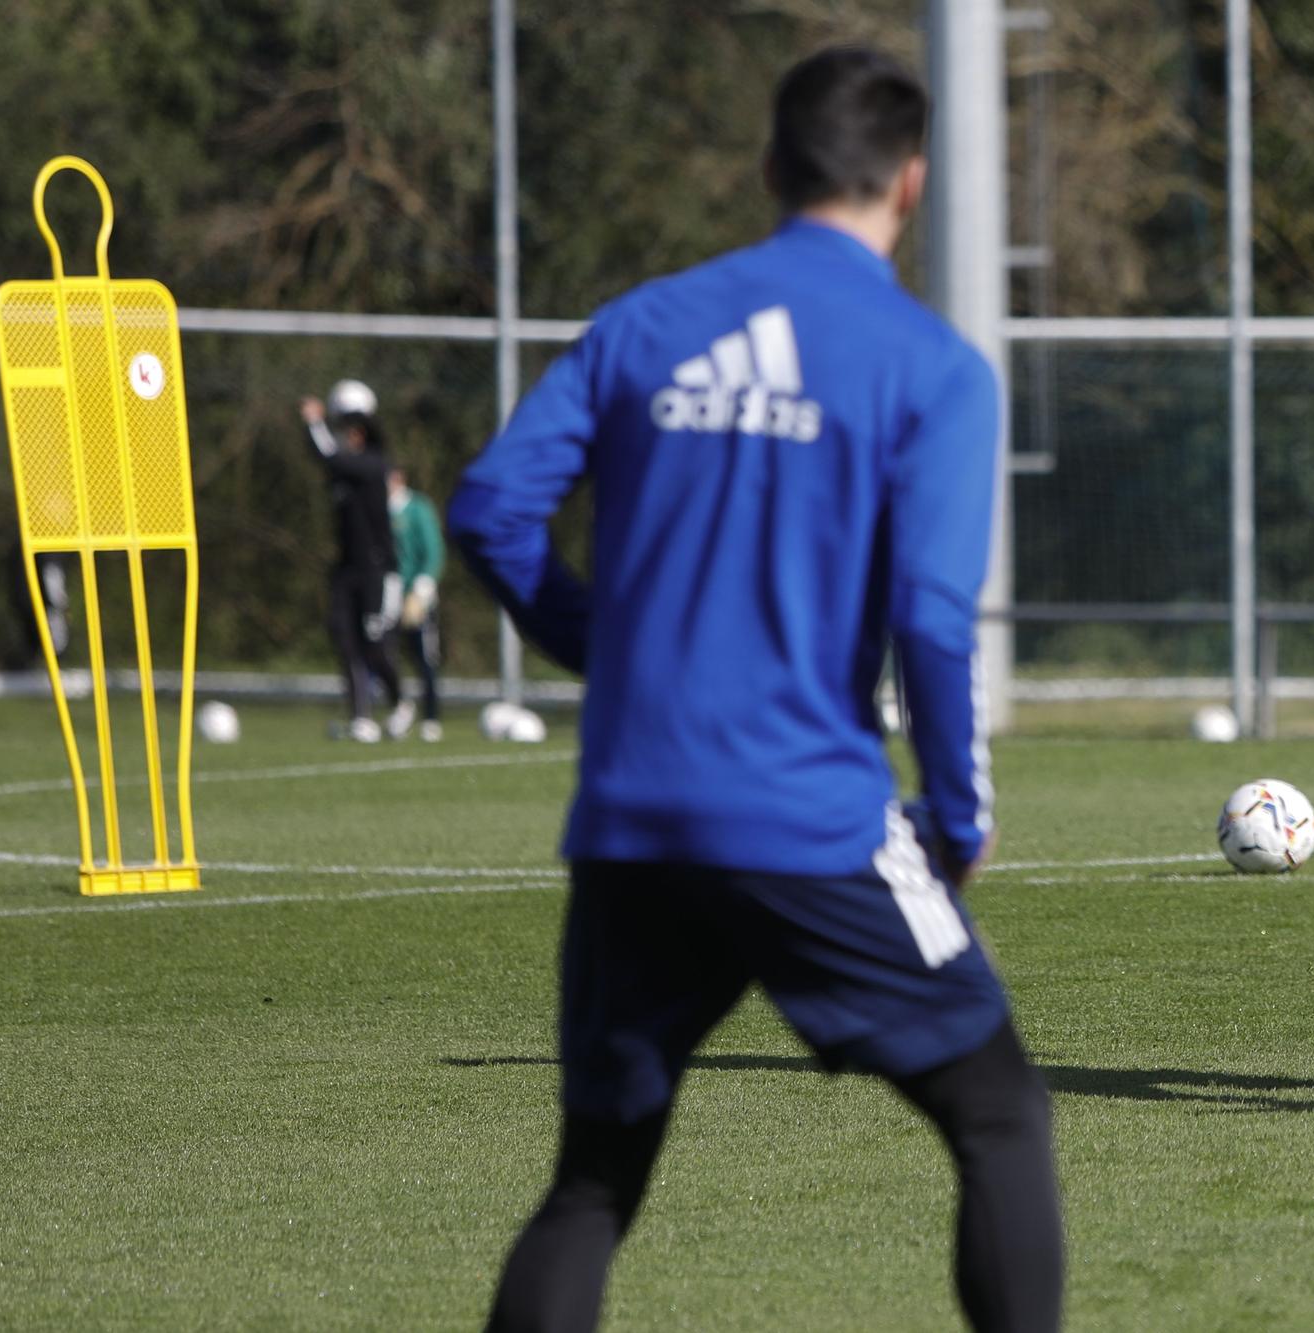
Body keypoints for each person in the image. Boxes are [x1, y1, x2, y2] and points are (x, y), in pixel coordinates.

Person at [448, 45, 1063, 1333]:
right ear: (909, 184)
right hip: (809, 818)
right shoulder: (932, 366)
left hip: (630, 820)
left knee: (594, 1183)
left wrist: (598, 647)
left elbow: (493, 509)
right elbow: (930, 623)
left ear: (771, 168)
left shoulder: (643, 323)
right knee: (999, 1112)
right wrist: (954, 815)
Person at [299, 379, 404, 743]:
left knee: (374, 642)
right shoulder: (343, 469)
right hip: (347, 568)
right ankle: (361, 716)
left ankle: (399, 700)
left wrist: (314, 423)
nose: (348, 437)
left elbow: (329, 456)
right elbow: (329, 460)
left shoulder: (373, 465)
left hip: (376, 569)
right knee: (344, 637)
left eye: (353, 431)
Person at [387, 467, 445, 741]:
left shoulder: (418, 508)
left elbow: (433, 551)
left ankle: (431, 719)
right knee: (384, 655)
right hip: (387, 594)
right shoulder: (379, 509)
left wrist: (421, 591)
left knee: (424, 658)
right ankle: (397, 710)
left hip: (415, 596)